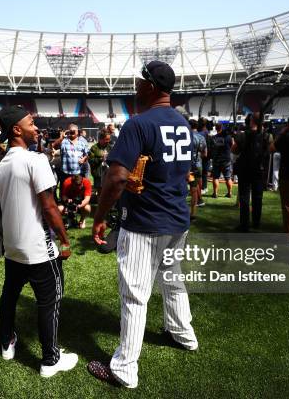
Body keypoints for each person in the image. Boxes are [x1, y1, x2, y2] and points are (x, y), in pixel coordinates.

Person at [88, 61, 198, 389]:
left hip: (145, 221)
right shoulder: (183, 123)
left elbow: (117, 177)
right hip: (177, 219)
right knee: (173, 283)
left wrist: (99, 217)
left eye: (140, 82)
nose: (136, 87)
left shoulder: (139, 124)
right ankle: (183, 335)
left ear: (151, 86)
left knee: (135, 296)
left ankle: (124, 369)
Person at [0, 105, 77, 378]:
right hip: (38, 248)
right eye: (31, 123)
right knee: (50, 301)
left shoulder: (4, 161)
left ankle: (7, 343)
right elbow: (49, 207)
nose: (36, 127)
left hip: (13, 247)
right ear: (16, 129)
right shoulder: (35, 159)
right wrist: (65, 241)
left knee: (10, 296)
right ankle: (50, 361)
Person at [232, 113, 273, 232]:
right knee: (258, 197)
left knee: (244, 197)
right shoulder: (267, 136)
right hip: (259, 169)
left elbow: (234, 151)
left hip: (245, 169)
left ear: (250, 121)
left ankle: (244, 224)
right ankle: (256, 222)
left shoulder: (242, 135)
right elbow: (270, 150)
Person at [189, 119, 207, 218]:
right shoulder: (201, 137)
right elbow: (205, 154)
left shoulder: (185, 136)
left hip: (185, 166)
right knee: (194, 189)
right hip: (197, 165)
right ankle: (193, 213)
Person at [211, 123, 234, 198]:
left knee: (216, 177)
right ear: (222, 127)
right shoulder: (229, 137)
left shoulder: (214, 137)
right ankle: (230, 193)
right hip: (226, 159)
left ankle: (215, 193)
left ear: (216, 128)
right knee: (228, 177)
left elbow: (212, 147)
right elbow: (232, 146)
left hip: (217, 159)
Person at [88, 128, 112, 199]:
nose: (108, 141)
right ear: (101, 139)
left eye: (109, 139)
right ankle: (100, 206)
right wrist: (101, 159)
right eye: (106, 139)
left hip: (109, 172)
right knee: (100, 191)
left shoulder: (110, 147)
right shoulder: (94, 148)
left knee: (108, 190)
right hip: (98, 173)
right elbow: (91, 161)